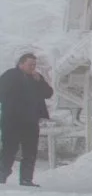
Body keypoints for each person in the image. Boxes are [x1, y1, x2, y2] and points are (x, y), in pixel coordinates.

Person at [0, 53, 54, 187]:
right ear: (21, 64)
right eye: (30, 64)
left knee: (30, 151)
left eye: (34, 65)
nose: (33, 67)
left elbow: (49, 93)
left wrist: (39, 81)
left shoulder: (36, 78)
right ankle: (2, 176)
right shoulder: (10, 75)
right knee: (9, 149)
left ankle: (26, 178)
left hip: (31, 121)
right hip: (12, 120)